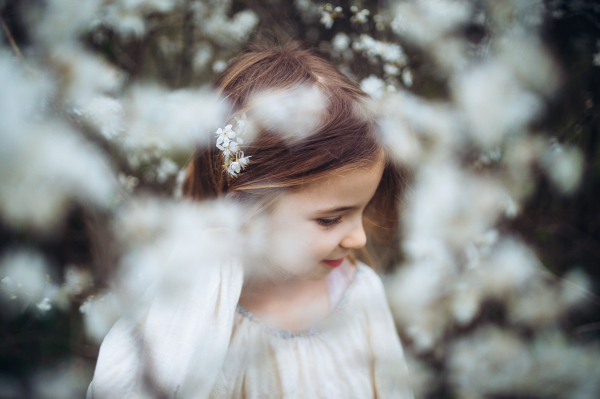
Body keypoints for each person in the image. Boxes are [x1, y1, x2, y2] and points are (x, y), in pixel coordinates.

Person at [87, 42, 413, 399]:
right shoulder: (197, 312)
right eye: (330, 219)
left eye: (362, 210)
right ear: (245, 208)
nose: (359, 239)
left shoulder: (359, 295)